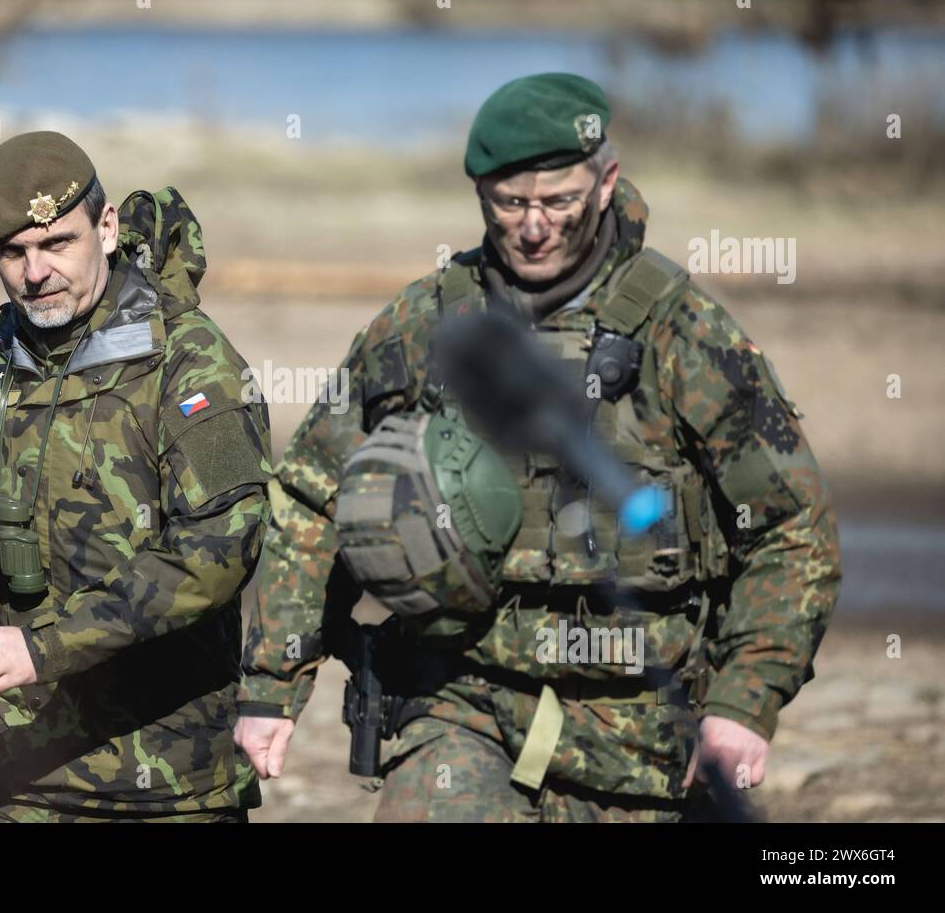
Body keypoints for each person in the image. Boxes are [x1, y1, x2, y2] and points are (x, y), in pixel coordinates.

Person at [234, 72, 841, 822]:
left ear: (606, 180)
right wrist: (272, 684)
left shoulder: (685, 337)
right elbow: (311, 497)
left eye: (558, 201)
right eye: (510, 203)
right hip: (460, 704)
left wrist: (744, 702)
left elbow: (791, 531)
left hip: (646, 730)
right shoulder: (427, 325)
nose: (532, 227)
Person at [0, 131, 271, 821]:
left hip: (162, 766)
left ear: (106, 229)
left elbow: (220, 550)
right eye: (12, 254)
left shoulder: (192, 362)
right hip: (12, 743)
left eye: (56, 244)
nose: (34, 273)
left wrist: (44, 647)